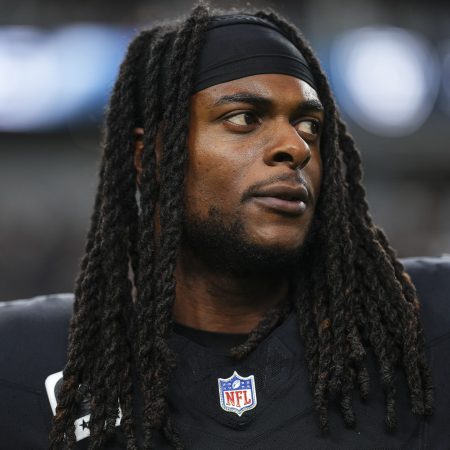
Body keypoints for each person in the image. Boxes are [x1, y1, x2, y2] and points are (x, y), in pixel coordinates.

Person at [1, 4, 449, 450]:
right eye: (244, 118)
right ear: (151, 156)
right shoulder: (23, 359)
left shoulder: (423, 323)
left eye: (309, 125)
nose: (295, 147)